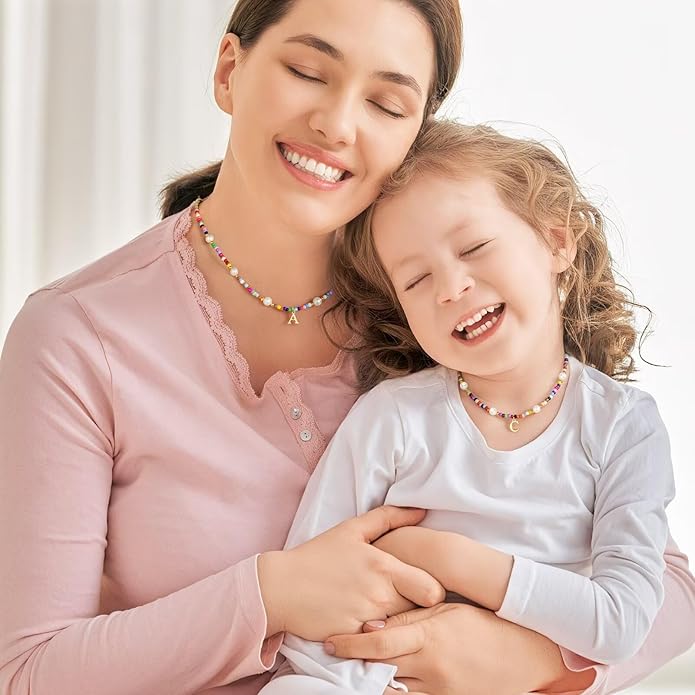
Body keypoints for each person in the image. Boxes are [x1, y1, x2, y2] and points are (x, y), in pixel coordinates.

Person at [0, 1, 692, 694]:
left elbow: (667, 590)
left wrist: (527, 663)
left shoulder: (448, 314)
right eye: (307, 71)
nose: (337, 124)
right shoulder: (78, 337)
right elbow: (27, 672)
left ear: (416, 134)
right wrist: (272, 594)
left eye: (387, 104)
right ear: (228, 70)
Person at [258, 119, 683, 694]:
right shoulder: (393, 417)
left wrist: (443, 557)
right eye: (416, 279)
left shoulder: (623, 426)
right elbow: (311, 587)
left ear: (557, 241)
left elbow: (620, 623)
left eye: (475, 248)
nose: (451, 287)